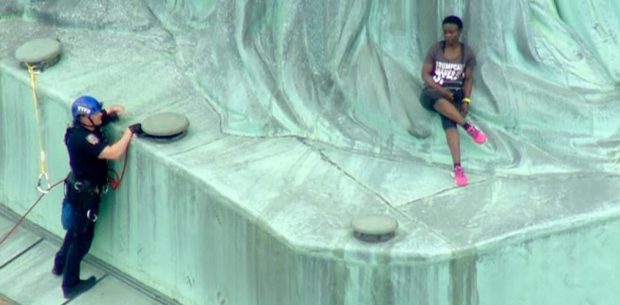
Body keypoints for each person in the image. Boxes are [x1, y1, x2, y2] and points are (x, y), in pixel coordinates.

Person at [51, 95, 143, 299]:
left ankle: (59, 264)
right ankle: (70, 284)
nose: (98, 115)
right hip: (86, 196)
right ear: (84, 119)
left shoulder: (81, 128)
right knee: (82, 239)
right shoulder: (82, 139)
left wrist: (109, 114)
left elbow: (104, 117)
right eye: (94, 114)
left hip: (79, 190)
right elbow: (113, 153)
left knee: (74, 230)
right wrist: (129, 133)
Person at [419, 15, 487, 187]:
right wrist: (442, 90)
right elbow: (425, 74)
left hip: (454, 96)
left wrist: (465, 101)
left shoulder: (467, 53)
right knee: (435, 97)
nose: (448, 36)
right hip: (432, 93)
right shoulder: (436, 49)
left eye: (451, 32)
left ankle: (457, 168)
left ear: (460, 32)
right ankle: (468, 127)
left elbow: (468, 80)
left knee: (449, 122)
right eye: (445, 32)